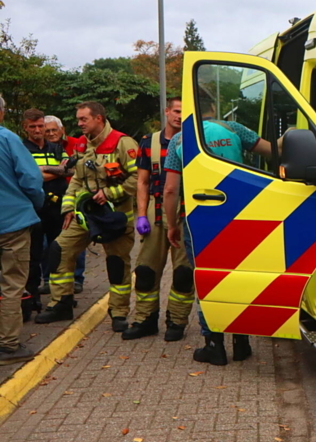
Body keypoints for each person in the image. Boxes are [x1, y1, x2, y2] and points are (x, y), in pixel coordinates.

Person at [163, 89, 272, 365]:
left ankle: (214, 346)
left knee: (208, 279)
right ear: (213, 105)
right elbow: (273, 151)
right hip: (239, 216)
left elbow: (170, 190)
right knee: (239, 277)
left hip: (199, 219)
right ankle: (242, 341)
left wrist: (172, 224)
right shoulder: (234, 129)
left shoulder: (180, 139)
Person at [35, 102, 139, 331]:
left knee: (117, 263)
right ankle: (61, 303)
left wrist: (110, 193)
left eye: (83, 119)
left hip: (115, 216)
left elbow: (137, 179)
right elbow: (77, 180)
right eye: (78, 119)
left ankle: (119, 313)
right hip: (85, 215)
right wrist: (68, 209)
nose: (79, 123)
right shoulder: (82, 146)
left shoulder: (123, 144)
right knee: (60, 249)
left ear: (99, 119)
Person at [121, 97, 193, 341]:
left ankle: (177, 321)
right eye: (176, 111)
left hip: (186, 212)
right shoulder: (148, 142)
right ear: (167, 111)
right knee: (145, 270)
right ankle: (145, 319)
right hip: (156, 209)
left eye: (184, 112)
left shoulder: (195, 142)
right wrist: (141, 215)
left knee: (184, 273)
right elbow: (142, 181)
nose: (179, 117)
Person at [0, 95, 45, 364]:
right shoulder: (7, 139)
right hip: (12, 223)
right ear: (2, 113)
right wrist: (35, 204)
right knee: (12, 283)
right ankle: (7, 345)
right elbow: (31, 178)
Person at [20, 109, 68, 321]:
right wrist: (56, 169)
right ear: (25, 128)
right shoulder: (21, 149)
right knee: (32, 256)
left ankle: (61, 299)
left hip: (57, 209)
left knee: (58, 254)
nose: (38, 130)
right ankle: (32, 297)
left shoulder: (56, 147)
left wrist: (41, 171)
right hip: (33, 209)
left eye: (40, 125)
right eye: (33, 127)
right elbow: (27, 177)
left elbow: (71, 170)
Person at [43, 115, 86, 294]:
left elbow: (77, 168)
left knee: (76, 239)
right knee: (48, 244)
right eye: (48, 131)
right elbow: (33, 173)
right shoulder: (41, 148)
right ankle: (48, 279)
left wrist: (46, 170)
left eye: (54, 130)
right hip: (48, 201)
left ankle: (77, 278)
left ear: (62, 130)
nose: (51, 134)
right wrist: (60, 171)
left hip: (73, 197)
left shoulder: (76, 144)